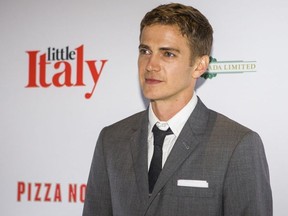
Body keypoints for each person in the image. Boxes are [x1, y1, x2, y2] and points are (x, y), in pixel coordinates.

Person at [83, 3, 272, 216]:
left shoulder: (237, 144)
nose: (151, 64)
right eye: (145, 51)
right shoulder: (111, 139)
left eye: (168, 54)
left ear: (200, 66)